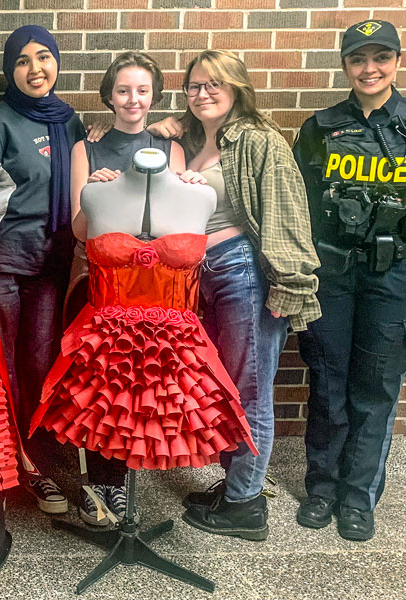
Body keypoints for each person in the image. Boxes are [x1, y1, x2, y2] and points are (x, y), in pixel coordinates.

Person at [292, 20, 406, 542]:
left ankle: (357, 497)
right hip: (334, 273)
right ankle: (321, 490)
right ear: (344, 65)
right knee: (328, 383)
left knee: (376, 389)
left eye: (380, 57)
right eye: (358, 59)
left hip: (398, 275)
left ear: (396, 60)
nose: (370, 69)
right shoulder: (319, 128)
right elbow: (302, 202)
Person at [148, 50, 321, 540]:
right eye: (194, 86)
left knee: (250, 392)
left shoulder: (261, 141)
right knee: (225, 388)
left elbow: (287, 216)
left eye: (213, 84)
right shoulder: (192, 137)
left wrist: (289, 286)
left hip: (246, 274)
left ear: (237, 88)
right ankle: (236, 485)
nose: (203, 93)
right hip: (206, 278)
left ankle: (245, 505)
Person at [66, 52, 204, 526]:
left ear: (154, 95)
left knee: (143, 391)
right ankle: (99, 485)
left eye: (142, 90)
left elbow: (181, 227)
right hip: (105, 288)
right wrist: (96, 194)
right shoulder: (88, 149)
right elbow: (79, 230)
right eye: (123, 90)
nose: (133, 99)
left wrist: (189, 184)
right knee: (103, 388)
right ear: (109, 96)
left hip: (160, 295)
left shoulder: (172, 149)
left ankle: (123, 484)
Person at [0, 25, 86, 515]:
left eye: (44, 57)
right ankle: (14, 461)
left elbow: (85, 178)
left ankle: (32, 451)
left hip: (53, 264)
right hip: (6, 266)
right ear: (9, 70)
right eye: (23, 61)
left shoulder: (69, 120)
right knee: (6, 366)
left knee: (41, 362)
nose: (35, 69)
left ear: (57, 62)